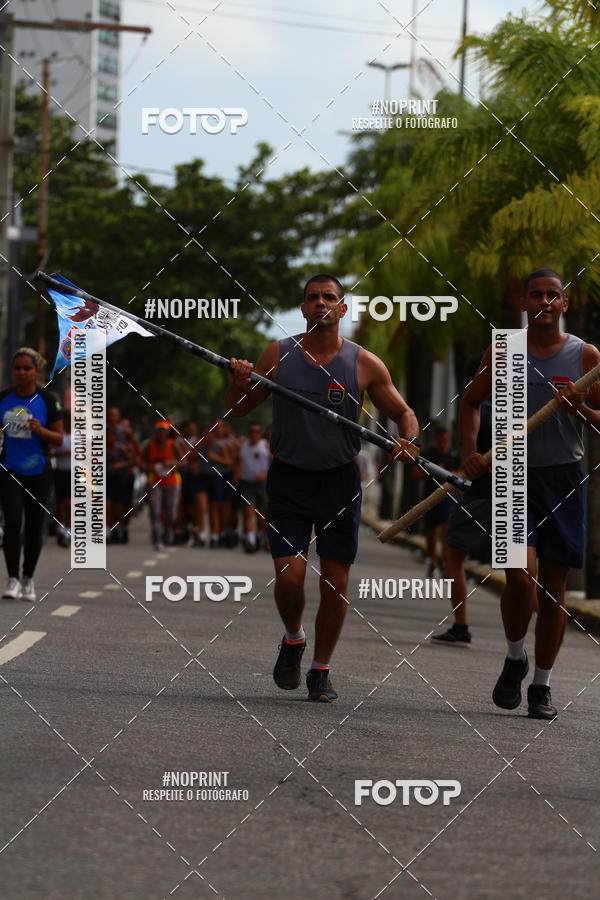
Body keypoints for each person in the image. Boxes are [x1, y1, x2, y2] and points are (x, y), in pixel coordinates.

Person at [226, 274, 419, 702]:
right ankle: (294, 638)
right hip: (290, 478)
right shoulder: (278, 354)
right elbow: (240, 410)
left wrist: (409, 440)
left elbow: (404, 413)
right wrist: (237, 381)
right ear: (302, 308)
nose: (320, 304)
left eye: (329, 297)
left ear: (342, 309)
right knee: (290, 577)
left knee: (335, 582)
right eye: (312, 298)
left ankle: (321, 670)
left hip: (339, 482)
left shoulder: (364, 363)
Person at [460, 268, 600, 719]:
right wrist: (470, 453)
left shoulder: (585, 355)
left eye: (552, 295)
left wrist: (581, 407)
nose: (544, 301)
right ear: (524, 303)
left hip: (564, 479)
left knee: (555, 591)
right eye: (535, 294)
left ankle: (541, 685)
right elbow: (470, 402)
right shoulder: (504, 349)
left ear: (564, 303)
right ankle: (515, 655)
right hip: (513, 475)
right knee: (521, 578)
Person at [0, 348, 63, 601]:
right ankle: (12, 578)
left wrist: (40, 430)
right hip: (9, 468)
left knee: (35, 527)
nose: (22, 373)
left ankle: (28, 579)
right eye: (18, 368)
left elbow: (59, 439)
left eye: (27, 368)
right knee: (13, 522)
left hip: (38, 469)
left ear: (37, 371)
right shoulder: (3, 398)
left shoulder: (48, 400)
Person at [430, 400, 493, 645]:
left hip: (480, 496)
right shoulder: (521, 405)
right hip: (515, 496)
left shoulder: (476, 409)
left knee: (453, 555)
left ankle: (461, 624)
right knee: (520, 569)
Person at [413, 426, 460, 578]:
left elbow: (463, 474)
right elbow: (416, 473)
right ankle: (432, 561)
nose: (442, 444)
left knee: (447, 531)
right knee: (431, 532)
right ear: (435, 440)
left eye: (445, 441)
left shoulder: (454, 455)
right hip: (431, 498)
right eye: (440, 441)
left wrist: (450, 474)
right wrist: (433, 471)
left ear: (449, 439)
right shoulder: (428, 455)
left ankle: (445, 563)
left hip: (449, 498)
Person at [235, 421, 271, 553]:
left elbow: (275, 463)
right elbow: (239, 462)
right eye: (251, 431)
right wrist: (236, 476)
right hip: (246, 484)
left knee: (262, 516)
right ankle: (250, 541)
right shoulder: (243, 446)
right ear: (248, 433)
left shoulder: (265, 445)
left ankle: (261, 535)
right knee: (248, 512)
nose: (254, 434)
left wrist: (266, 473)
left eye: (257, 431)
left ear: (260, 433)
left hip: (262, 484)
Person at [145, 420, 182, 551]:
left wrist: (171, 463)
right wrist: (150, 467)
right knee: (155, 511)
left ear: (167, 433)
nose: (160, 434)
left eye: (163, 431)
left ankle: (168, 531)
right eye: (158, 431)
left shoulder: (173, 445)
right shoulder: (150, 446)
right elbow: (141, 460)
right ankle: (158, 539)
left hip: (172, 482)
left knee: (170, 513)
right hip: (155, 481)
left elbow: (184, 461)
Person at [51, 410, 72, 547]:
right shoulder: (59, 435)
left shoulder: (79, 435)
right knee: (61, 504)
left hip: (75, 473)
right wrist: (62, 454)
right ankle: (60, 528)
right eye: (68, 418)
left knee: (70, 503)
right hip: (60, 472)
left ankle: (68, 531)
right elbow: (50, 452)